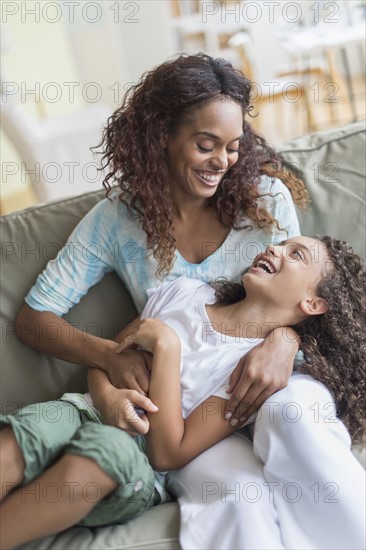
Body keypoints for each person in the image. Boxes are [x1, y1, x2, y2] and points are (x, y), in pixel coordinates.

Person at [9, 53, 310, 545]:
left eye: (234, 147)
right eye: (206, 145)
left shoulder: (266, 201)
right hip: (146, 411)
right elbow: (33, 318)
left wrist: (288, 340)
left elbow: (307, 291)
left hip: (221, 412)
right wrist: (108, 357)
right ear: (162, 136)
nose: (223, 162)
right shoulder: (118, 219)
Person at [1, 236, 365, 550]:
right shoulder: (185, 293)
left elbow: (168, 452)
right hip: (81, 408)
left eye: (296, 255)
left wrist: (168, 348)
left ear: (314, 304)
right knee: (26, 435)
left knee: (103, 455)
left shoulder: (251, 371)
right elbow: (109, 359)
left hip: (136, 452)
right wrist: (108, 398)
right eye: (282, 244)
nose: (275, 248)